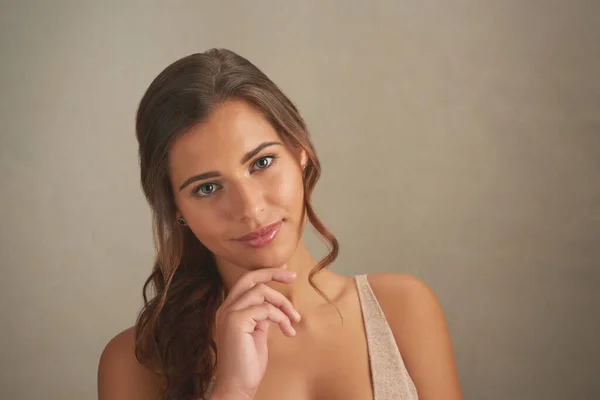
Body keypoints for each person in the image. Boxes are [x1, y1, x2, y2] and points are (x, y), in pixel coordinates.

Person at [97, 48, 463, 400]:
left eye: (262, 163)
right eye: (207, 187)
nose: (250, 209)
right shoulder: (135, 364)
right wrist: (231, 391)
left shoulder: (402, 307)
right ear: (176, 208)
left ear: (299, 150)